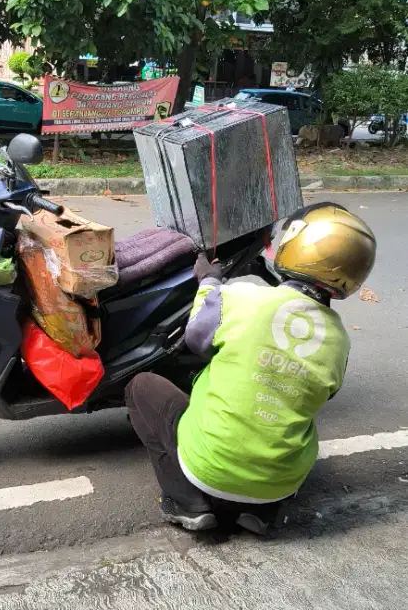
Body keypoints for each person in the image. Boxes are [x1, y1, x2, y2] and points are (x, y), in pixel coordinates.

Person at [125, 203, 376, 534]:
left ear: (297, 244)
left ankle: (188, 502)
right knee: (295, 420)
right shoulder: (339, 341)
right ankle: (262, 512)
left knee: (140, 387)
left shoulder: (242, 298)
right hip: (280, 483)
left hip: (210, 468)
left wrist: (209, 281)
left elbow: (198, 338)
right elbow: (323, 394)